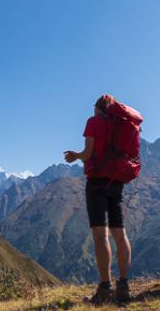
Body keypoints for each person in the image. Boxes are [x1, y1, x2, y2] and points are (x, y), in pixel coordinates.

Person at [64, 96, 132, 303]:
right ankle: (124, 286)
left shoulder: (93, 122)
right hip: (117, 181)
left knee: (100, 236)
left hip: (97, 183)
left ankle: (104, 288)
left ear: (98, 108)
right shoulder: (121, 125)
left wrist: (75, 156)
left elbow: (88, 153)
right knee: (120, 234)